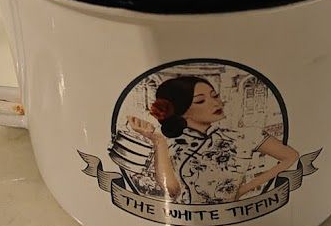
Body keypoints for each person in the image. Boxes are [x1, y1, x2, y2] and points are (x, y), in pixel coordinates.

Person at [127, 75, 299, 204]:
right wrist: (157, 141)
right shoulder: (171, 144)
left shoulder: (246, 135)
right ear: (182, 111)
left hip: (237, 218)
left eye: (215, 95)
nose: (216, 103)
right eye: (201, 101)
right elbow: (171, 190)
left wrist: (244, 189)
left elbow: (290, 156)